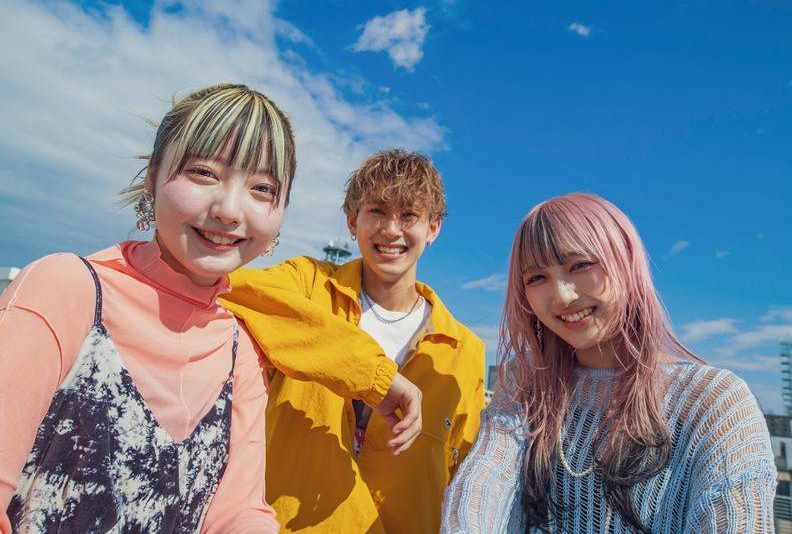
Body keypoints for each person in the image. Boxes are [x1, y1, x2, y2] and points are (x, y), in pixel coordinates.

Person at [0, 84, 422, 534]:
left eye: (262, 188)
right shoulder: (66, 289)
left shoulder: (239, 346)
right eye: (203, 173)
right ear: (152, 176)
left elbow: (237, 512)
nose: (229, 210)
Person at [441, 193, 776, 533]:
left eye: (580, 265)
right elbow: (482, 482)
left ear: (627, 263)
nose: (562, 296)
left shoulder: (715, 402)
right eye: (536, 278)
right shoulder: (526, 382)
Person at [221, 149, 486, 533]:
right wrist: (372, 374)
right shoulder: (306, 285)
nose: (391, 230)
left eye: (409, 214)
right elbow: (232, 287)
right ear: (352, 221)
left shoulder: (465, 350)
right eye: (377, 211)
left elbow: (464, 478)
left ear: (433, 228)